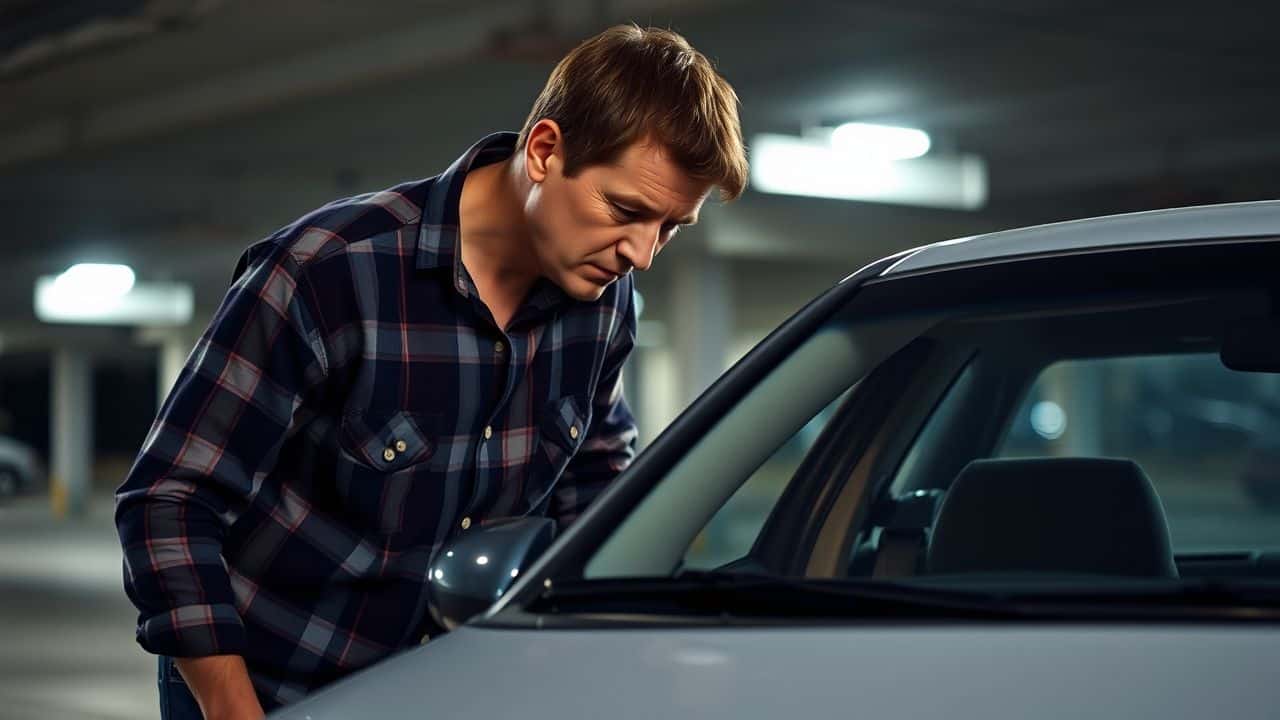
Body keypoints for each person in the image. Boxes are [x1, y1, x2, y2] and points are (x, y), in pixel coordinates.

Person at [115, 23, 747, 720]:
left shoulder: (604, 306)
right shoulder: (328, 271)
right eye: (626, 210)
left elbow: (594, 487)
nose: (643, 253)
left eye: (670, 226)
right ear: (544, 151)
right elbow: (170, 499)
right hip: (274, 686)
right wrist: (232, 709)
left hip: (454, 691)